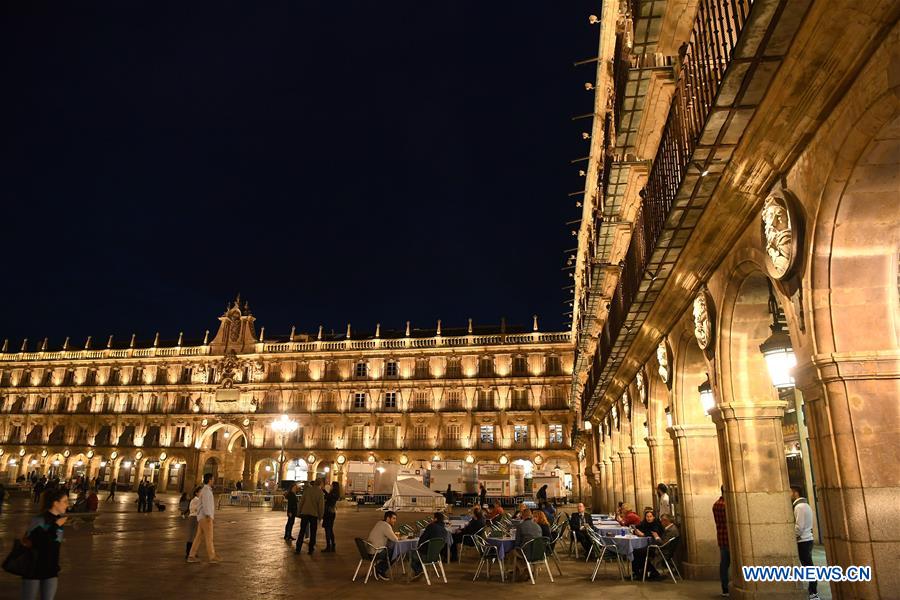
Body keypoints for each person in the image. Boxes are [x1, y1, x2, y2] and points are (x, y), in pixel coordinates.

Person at [21, 487, 68, 600]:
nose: (67, 505)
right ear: (55, 503)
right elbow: (37, 542)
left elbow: (53, 544)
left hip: (51, 569)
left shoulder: (60, 521)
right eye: (65, 501)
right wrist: (55, 526)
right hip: (34, 569)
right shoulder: (39, 520)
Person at [791, 486, 818, 600]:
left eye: (790, 491)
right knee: (808, 566)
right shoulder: (805, 505)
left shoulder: (799, 507)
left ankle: (813, 591)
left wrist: (791, 536)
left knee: (808, 566)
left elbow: (799, 527)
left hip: (803, 540)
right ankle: (813, 590)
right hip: (807, 539)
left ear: (795, 493)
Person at [187, 473, 220, 563]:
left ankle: (191, 555)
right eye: (213, 479)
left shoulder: (205, 490)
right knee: (209, 537)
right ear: (209, 480)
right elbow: (206, 504)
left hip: (201, 517)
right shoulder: (206, 491)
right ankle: (212, 557)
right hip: (205, 517)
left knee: (198, 537)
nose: (214, 480)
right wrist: (209, 515)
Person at [411, 512, 447, 577]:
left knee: (412, 554)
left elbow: (422, 539)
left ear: (435, 519)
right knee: (418, 554)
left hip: (426, 555)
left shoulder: (431, 526)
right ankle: (420, 571)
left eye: (433, 518)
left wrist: (419, 547)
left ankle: (418, 570)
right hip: (437, 556)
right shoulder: (445, 530)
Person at [295, 479, 324, 555]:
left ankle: (298, 548)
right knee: (313, 532)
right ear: (320, 484)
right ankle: (311, 549)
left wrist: (298, 511)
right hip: (314, 514)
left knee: (302, 531)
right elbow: (321, 506)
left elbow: (301, 501)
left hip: (305, 513)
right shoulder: (320, 492)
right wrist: (320, 516)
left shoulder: (307, 490)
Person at [367, 511, 399, 580]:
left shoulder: (379, 523)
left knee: (391, 549)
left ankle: (379, 568)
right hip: (376, 553)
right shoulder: (386, 526)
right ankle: (380, 569)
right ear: (388, 518)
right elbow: (395, 539)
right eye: (393, 518)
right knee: (396, 552)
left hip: (368, 552)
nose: (395, 521)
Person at [713, 487, 729, 597]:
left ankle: (725, 588)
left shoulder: (716, 504)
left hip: (722, 537)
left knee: (724, 564)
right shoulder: (725, 505)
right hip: (728, 537)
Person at [322, 481, 340, 552]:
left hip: (329, 513)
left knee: (328, 529)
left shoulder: (333, 493)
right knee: (330, 529)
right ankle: (332, 545)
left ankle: (328, 546)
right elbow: (328, 496)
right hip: (331, 513)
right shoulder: (335, 493)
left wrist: (323, 490)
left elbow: (328, 497)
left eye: (332, 485)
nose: (331, 486)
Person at [185, 486, 201, 559]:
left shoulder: (195, 499)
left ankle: (191, 552)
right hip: (194, 518)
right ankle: (190, 553)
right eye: (200, 492)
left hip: (193, 518)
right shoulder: (196, 500)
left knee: (193, 535)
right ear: (196, 493)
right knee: (193, 536)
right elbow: (196, 509)